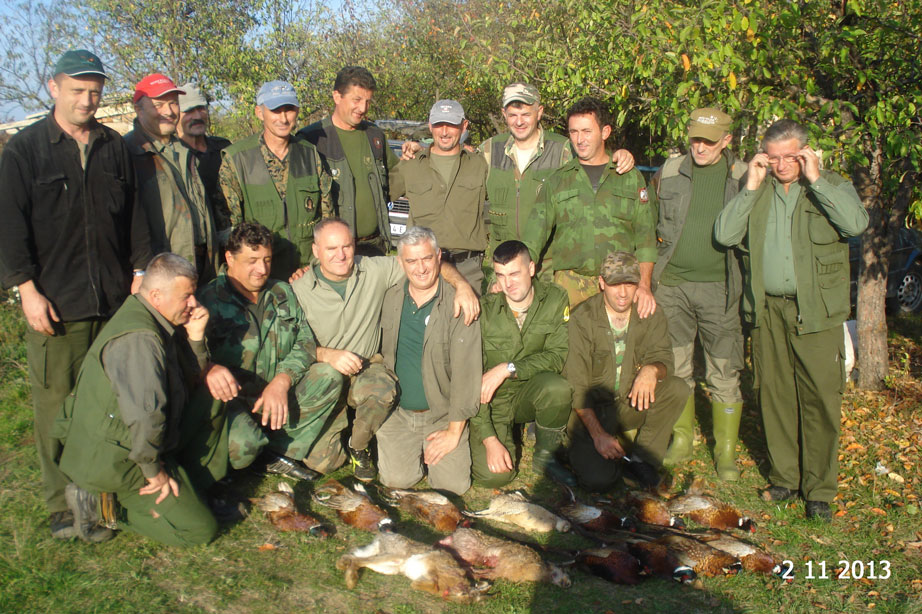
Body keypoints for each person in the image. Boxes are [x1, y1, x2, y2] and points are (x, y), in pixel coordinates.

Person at [0, 49, 151, 539]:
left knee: (107, 404)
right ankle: (61, 504)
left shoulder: (113, 147)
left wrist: (139, 270)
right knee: (56, 405)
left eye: (94, 91)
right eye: (77, 90)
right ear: (53, 88)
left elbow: (134, 217)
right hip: (56, 303)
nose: (86, 100)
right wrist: (26, 289)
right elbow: (9, 227)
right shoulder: (24, 151)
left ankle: (102, 497)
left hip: (111, 300)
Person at [714, 119, 869, 520]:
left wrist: (816, 179)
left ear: (806, 152)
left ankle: (819, 489)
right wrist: (750, 185)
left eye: (790, 157)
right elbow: (725, 234)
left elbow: (856, 225)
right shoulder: (757, 189)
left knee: (820, 399)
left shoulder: (830, 185)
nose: (782, 165)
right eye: (774, 157)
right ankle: (785, 478)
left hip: (816, 311)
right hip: (768, 310)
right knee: (775, 395)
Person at [290, 217, 480, 481]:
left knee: (380, 387)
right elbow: (291, 343)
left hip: (365, 373)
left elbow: (426, 263)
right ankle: (323, 434)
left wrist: (462, 285)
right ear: (315, 251)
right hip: (326, 378)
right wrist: (326, 355)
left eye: (346, 246)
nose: (340, 255)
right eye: (331, 249)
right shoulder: (299, 289)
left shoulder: (375, 269)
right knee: (324, 464)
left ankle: (360, 445)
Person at [54, 253, 219, 546]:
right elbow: (147, 416)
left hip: (140, 444)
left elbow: (188, 381)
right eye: (187, 296)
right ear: (156, 295)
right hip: (118, 460)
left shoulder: (152, 316)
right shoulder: (140, 340)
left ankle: (187, 487)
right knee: (199, 531)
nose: (193, 303)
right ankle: (103, 507)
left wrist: (196, 338)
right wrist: (152, 472)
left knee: (216, 395)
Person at [197, 222, 344, 478]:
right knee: (244, 447)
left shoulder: (281, 291)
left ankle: (278, 453)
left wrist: (282, 380)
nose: (262, 269)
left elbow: (305, 342)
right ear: (229, 258)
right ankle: (249, 452)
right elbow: (190, 355)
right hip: (234, 404)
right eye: (252, 260)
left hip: (277, 397)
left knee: (329, 376)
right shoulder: (208, 300)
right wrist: (209, 368)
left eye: (266, 259)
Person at [650, 108, 748, 481]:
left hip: (720, 287)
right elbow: (649, 220)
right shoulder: (671, 171)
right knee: (676, 366)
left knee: (724, 367)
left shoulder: (743, 177)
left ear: (726, 141)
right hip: (672, 285)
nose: (700, 147)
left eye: (709, 140)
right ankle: (682, 438)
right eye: (695, 139)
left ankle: (725, 454)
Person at [564, 251, 689, 490]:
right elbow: (577, 389)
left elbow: (664, 359)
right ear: (602, 283)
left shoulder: (650, 313)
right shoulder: (582, 320)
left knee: (676, 388)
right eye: (615, 285)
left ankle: (644, 459)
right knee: (599, 480)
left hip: (628, 402)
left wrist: (652, 370)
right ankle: (583, 451)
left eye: (630, 284)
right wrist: (598, 435)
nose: (623, 293)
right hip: (590, 413)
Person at [522, 97, 657, 309]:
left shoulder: (629, 177)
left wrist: (645, 286)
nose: (579, 139)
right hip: (571, 287)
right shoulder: (558, 181)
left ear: (605, 132)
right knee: (571, 342)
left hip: (619, 285)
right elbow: (533, 238)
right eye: (574, 132)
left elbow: (646, 238)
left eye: (586, 131)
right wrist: (517, 277)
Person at [377, 227, 482, 495]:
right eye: (411, 261)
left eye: (426, 258)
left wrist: (453, 432)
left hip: (442, 416)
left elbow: (466, 373)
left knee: (453, 487)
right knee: (396, 481)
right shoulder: (389, 297)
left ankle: (435, 449)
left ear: (439, 257)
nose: (420, 268)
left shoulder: (460, 303)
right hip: (398, 414)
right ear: (400, 262)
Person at [481, 83, 634, 265]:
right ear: (504, 114)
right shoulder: (489, 150)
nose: (519, 121)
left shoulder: (565, 149)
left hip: (550, 264)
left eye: (526, 114)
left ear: (539, 112)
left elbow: (596, 159)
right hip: (505, 264)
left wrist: (619, 155)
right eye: (513, 115)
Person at [471, 240, 574, 488]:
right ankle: (495, 436)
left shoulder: (555, 299)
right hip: (492, 401)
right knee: (494, 477)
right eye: (501, 275)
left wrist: (508, 368)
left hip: (530, 390)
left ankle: (546, 458)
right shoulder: (485, 311)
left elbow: (556, 355)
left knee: (557, 388)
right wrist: (488, 438)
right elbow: (470, 379)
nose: (508, 283)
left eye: (515, 273)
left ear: (531, 268)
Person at [220, 80, 332, 280]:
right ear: (259, 112)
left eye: (289, 110)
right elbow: (232, 232)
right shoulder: (237, 159)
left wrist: (314, 267)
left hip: (307, 275)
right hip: (259, 278)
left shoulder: (310, 154)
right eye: (275, 110)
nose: (283, 118)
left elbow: (327, 220)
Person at [124, 73, 219, 281]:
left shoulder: (183, 149)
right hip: (164, 273)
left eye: (173, 103)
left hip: (202, 266)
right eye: (158, 105)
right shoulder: (129, 153)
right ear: (138, 109)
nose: (168, 111)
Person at [298, 66, 402, 255]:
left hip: (375, 246)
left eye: (368, 101)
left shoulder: (375, 136)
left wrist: (417, 154)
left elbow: (398, 177)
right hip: (335, 253)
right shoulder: (312, 139)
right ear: (337, 97)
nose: (363, 108)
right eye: (357, 100)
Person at [392, 100, 488, 290]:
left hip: (467, 269)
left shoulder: (480, 165)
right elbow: (377, 197)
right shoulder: (410, 165)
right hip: (423, 268)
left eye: (451, 125)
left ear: (464, 126)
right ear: (430, 126)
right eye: (438, 125)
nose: (444, 132)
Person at [176, 84, 232, 233]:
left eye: (201, 108)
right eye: (189, 111)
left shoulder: (224, 148)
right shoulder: (172, 157)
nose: (197, 116)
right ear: (175, 114)